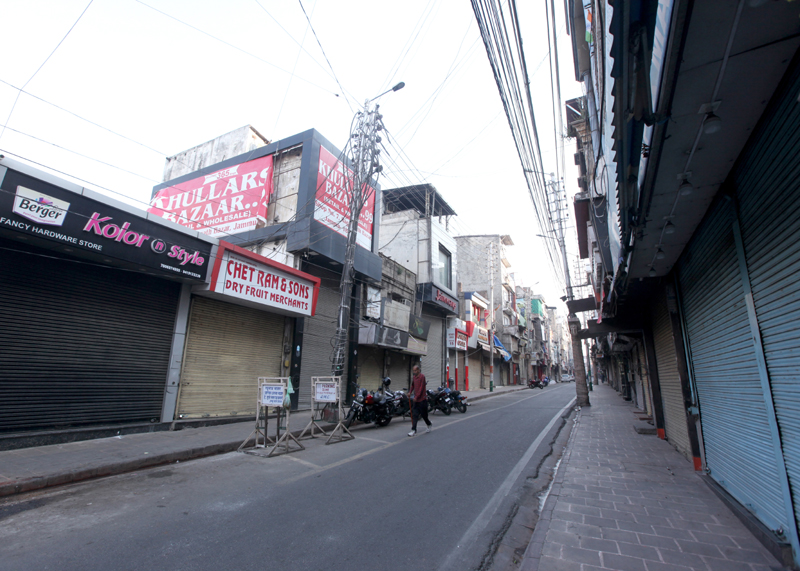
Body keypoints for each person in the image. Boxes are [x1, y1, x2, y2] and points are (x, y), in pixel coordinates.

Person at [408, 364, 432, 437]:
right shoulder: (414, 377)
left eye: (415, 370)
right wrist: (410, 392)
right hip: (416, 400)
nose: (414, 372)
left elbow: (421, 388)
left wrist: (417, 397)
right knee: (414, 415)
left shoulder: (422, 377)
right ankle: (413, 430)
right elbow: (412, 385)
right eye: (413, 371)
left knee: (424, 415)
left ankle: (429, 424)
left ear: (418, 370)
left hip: (422, 400)